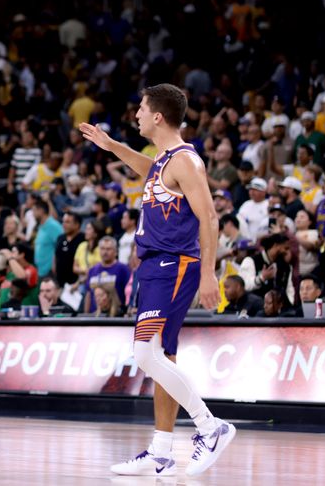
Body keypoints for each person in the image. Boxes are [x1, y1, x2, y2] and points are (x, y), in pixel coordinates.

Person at [81, 84, 235, 477]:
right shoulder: (163, 159)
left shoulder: (186, 160)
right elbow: (145, 168)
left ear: (158, 117)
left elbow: (210, 218)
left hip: (175, 264)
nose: (136, 114)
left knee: (146, 354)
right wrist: (111, 145)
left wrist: (208, 272)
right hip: (155, 267)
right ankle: (162, 450)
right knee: (161, 357)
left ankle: (210, 427)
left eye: (141, 108)